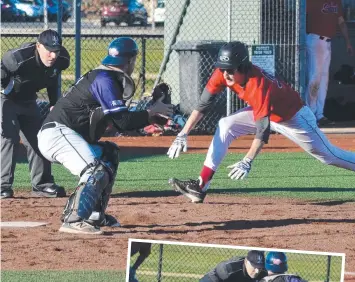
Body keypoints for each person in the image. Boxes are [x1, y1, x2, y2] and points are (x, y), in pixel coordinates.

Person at [167, 41, 355, 204]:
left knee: (329, 156)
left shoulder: (258, 85)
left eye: (230, 70)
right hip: (265, 113)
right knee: (226, 125)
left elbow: (262, 131)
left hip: (295, 118)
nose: (225, 74)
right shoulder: (222, 73)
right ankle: (200, 186)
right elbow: (203, 104)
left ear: (243, 67)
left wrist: (247, 160)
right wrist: (183, 133)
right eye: (223, 69)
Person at [37, 37, 173, 234]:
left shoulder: (107, 78)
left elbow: (118, 122)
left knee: (108, 154)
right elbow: (123, 122)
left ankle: (93, 214)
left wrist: (150, 117)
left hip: (65, 135)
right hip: (57, 134)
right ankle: (74, 219)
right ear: (130, 60)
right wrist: (149, 114)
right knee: (94, 170)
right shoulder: (105, 79)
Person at [1, 29, 70, 199]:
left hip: (29, 100)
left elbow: (53, 79)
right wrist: (7, 88)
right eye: (49, 50)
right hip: (5, 98)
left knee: (38, 140)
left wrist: (54, 102)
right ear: (38, 46)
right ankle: (3, 185)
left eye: (56, 50)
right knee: (9, 138)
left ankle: (42, 185)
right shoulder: (18, 58)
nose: (53, 55)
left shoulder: (62, 60)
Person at [305, 0, 353, 126]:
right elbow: (301, 18)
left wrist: (347, 41)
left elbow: (341, 22)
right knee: (315, 77)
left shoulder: (336, 2)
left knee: (324, 79)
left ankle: (319, 114)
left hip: (328, 42)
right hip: (315, 39)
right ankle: (310, 113)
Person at [199, 250, 268, 282]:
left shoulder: (264, 272)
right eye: (254, 267)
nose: (257, 271)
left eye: (260, 268)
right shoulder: (228, 269)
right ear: (246, 261)